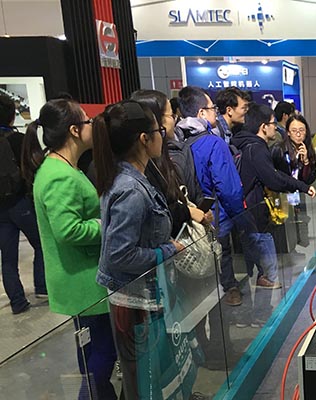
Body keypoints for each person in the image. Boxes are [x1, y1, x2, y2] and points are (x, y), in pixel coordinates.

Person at [20, 98, 117, 399]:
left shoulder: (59, 168)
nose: (92, 126)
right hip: (83, 281)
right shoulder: (60, 175)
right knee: (101, 354)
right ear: (75, 130)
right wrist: (107, 225)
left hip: (82, 278)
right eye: (87, 121)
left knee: (92, 353)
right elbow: (68, 230)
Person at [93, 100, 184, 399]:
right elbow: (118, 255)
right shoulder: (130, 190)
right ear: (144, 139)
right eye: (159, 130)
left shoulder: (131, 179)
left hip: (142, 299)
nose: (163, 136)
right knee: (143, 380)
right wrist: (166, 252)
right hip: (134, 304)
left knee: (146, 377)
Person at [232, 103, 316, 287]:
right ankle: (267, 277)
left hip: (249, 205)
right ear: (263, 127)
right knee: (263, 238)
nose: (275, 127)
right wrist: (301, 186)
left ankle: (262, 276)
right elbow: (274, 178)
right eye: (272, 124)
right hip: (253, 205)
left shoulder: (248, 145)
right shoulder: (257, 148)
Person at [177, 86, 245, 306]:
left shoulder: (177, 143)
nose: (215, 111)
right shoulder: (214, 143)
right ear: (201, 113)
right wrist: (239, 215)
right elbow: (228, 187)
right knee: (222, 254)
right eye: (211, 108)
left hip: (188, 218)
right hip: (216, 215)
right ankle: (231, 289)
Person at [130, 89, 210, 236]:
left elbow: (192, 188)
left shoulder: (168, 152)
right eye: (171, 115)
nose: (174, 120)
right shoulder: (138, 168)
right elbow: (155, 211)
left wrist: (199, 209)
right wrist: (188, 212)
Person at [0, 95, 46, 314]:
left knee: (8, 259)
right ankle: (42, 287)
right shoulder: (18, 140)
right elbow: (32, 166)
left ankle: (17, 302)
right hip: (21, 202)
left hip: (1, 208)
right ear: (12, 115)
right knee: (40, 244)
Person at [271, 114, 316, 248]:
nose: (298, 134)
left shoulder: (308, 150)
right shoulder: (279, 149)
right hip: (283, 197)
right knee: (286, 233)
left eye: (301, 130)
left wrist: (306, 161)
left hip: (299, 197)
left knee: (301, 233)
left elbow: (309, 180)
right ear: (288, 133)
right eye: (294, 130)